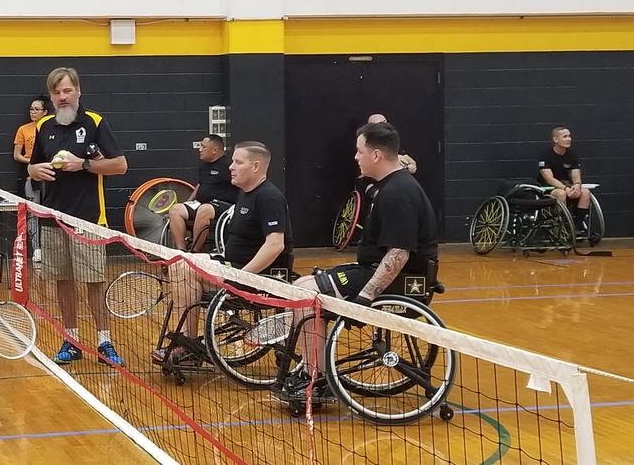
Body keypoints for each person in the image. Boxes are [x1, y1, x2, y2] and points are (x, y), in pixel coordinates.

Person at [275, 122, 438, 405]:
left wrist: (365, 296)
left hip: (400, 280)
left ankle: (316, 378)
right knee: (300, 285)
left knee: (304, 297)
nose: (355, 157)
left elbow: (398, 254)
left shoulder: (399, 193)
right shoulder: (387, 187)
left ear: (375, 155)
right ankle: (313, 370)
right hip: (373, 269)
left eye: (359, 151)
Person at [153, 141, 294, 363]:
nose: (231, 166)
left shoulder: (268, 197)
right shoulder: (245, 194)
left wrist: (241, 277)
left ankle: (189, 345)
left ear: (256, 166)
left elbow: (276, 244)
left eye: (238, 162)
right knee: (180, 262)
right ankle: (189, 342)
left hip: (254, 276)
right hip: (231, 265)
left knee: (183, 267)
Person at [28, 67, 129, 367]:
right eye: (57, 92)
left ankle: (104, 342)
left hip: (88, 220)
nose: (62, 97)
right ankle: (70, 340)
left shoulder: (95, 123)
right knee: (63, 281)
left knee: (94, 282)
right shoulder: (43, 126)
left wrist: (82, 164)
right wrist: (35, 171)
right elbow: (32, 167)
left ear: (78, 91)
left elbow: (120, 165)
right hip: (52, 218)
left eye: (67, 90)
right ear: (51, 97)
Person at [166, 134, 239, 252]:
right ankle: (182, 252)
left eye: (203, 147)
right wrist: (188, 201)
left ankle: (194, 252)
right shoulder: (203, 166)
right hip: (202, 203)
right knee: (175, 209)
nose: (199, 149)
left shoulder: (229, 166)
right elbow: (200, 185)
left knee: (204, 209)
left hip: (225, 206)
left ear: (214, 150)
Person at [14, 95, 52, 262]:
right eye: (31, 109)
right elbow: (17, 155)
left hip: (52, 179)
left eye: (37, 109)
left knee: (52, 214)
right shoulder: (24, 129)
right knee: (33, 214)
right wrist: (34, 163)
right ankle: (36, 249)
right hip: (32, 178)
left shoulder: (53, 128)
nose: (33, 112)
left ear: (45, 112)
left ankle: (51, 249)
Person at [537, 126, 591, 231]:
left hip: (567, 186)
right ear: (555, 139)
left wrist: (576, 185)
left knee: (585, 192)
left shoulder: (572, 155)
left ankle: (577, 226)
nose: (569, 139)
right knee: (561, 193)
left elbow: (576, 175)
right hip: (549, 188)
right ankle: (562, 226)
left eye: (569, 136)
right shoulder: (545, 155)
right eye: (565, 136)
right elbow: (549, 179)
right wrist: (565, 188)